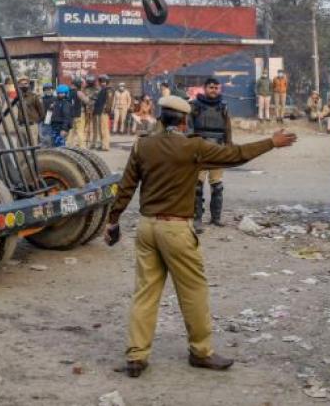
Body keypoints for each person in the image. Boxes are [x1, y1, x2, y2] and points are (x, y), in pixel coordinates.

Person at [104, 95, 297, 377]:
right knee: (193, 291)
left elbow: (126, 187)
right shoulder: (193, 146)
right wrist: (270, 142)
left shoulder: (143, 145)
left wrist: (112, 220)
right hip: (176, 229)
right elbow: (236, 155)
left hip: (147, 228)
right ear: (184, 120)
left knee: (145, 293)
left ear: (160, 117)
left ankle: (136, 356)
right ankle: (201, 351)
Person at [190, 78, 232, 231]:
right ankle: (197, 219)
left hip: (217, 150)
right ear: (204, 88)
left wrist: (229, 147)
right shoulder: (195, 105)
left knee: (217, 186)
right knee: (197, 187)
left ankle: (216, 218)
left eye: (216, 88)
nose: (213, 90)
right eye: (211, 87)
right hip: (200, 150)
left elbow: (227, 128)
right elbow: (189, 128)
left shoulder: (223, 106)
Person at [17, 77, 45, 146]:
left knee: (33, 148)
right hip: (21, 126)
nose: (23, 86)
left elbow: (42, 112)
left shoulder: (34, 97)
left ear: (29, 85)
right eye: (21, 84)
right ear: (19, 86)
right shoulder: (17, 98)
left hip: (31, 126)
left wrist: (35, 122)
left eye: (25, 84)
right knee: (20, 149)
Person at [93, 75, 114, 151]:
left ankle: (106, 146)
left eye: (104, 82)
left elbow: (109, 101)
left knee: (104, 129)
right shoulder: (102, 90)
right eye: (101, 82)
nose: (102, 83)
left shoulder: (109, 90)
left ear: (107, 82)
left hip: (104, 112)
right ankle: (102, 144)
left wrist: (106, 110)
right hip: (99, 111)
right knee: (101, 129)